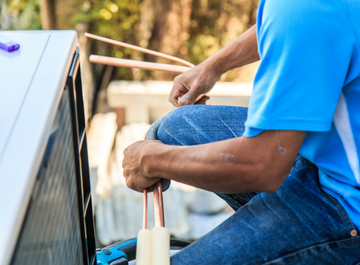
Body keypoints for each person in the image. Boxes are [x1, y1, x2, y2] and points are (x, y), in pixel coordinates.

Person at [122, 0, 360, 263]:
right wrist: (213, 66)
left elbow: (262, 166)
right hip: (328, 157)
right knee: (176, 126)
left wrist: (150, 160)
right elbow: (284, 25)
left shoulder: (306, 8)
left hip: (347, 201)